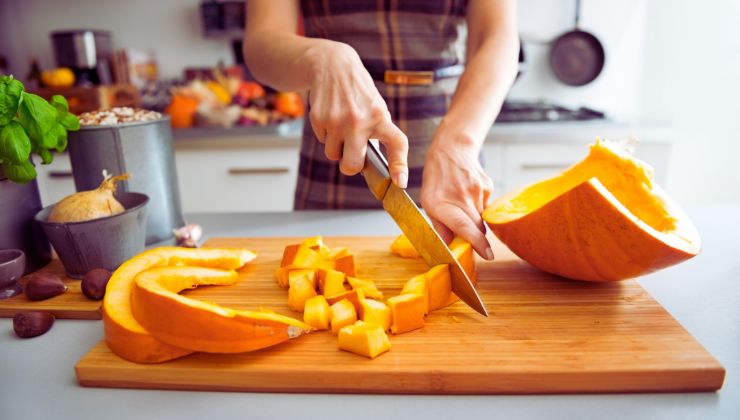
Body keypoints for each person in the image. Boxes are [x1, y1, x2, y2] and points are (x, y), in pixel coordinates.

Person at [244, 0, 518, 261]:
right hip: (335, 154)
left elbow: (496, 36)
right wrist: (321, 57)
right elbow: (262, 41)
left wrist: (459, 144)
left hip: (453, 147)